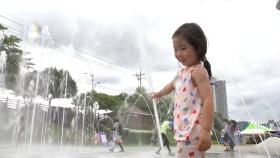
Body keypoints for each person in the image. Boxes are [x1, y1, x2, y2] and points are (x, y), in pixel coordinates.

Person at [152, 23, 214, 158]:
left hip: (194, 131)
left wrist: (206, 130)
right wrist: (159, 93)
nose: (178, 54)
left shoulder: (198, 71)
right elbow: (170, 85)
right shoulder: (182, 73)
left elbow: (208, 100)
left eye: (183, 48)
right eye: (175, 49)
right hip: (183, 130)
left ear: (198, 48)